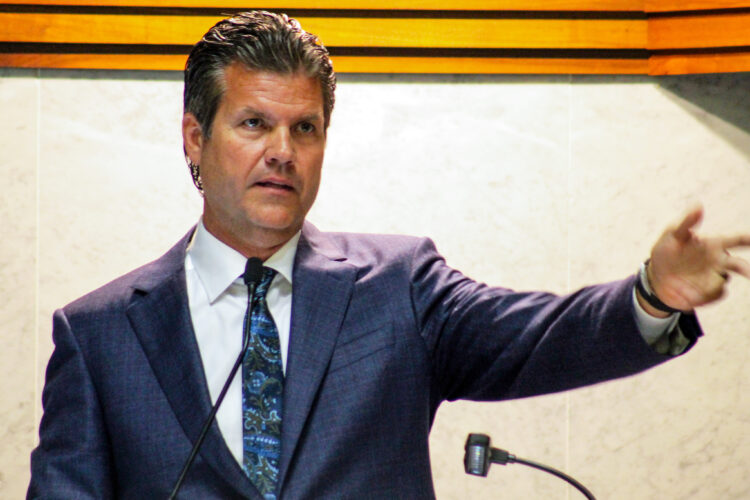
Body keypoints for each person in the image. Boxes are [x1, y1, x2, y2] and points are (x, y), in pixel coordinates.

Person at [28, 10, 750, 500]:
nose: (282, 152)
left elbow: (537, 338)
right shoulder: (99, 336)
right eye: (255, 123)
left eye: (305, 129)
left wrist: (651, 294)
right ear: (194, 137)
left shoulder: (397, 289)